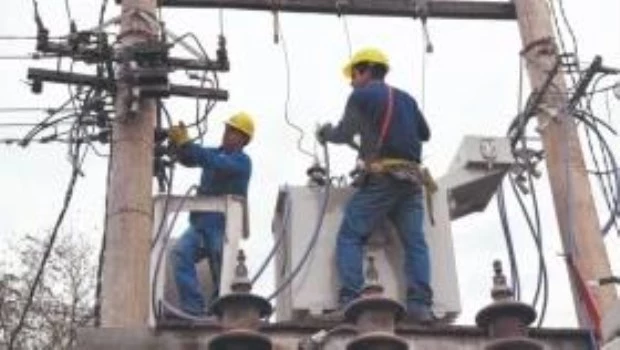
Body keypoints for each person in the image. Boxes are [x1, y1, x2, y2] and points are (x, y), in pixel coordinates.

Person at [316, 48, 434, 323]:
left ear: (366, 70)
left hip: (383, 179)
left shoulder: (361, 96)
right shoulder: (407, 98)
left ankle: (350, 299)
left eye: (354, 74)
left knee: (350, 235)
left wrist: (326, 133)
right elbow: (425, 134)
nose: (351, 81)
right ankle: (420, 306)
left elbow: (344, 132)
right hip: (412, 180)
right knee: (415, 242)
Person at [167, 112, 255, 317]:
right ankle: (193, 308)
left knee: (221, 265)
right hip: (200, 224)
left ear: (244, 139)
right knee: (180, 253)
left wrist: (188, 144)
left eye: (233, 132)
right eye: (227, 129)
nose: (227, 134)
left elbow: (211, 161)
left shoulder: (242, 162)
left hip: (223, 225)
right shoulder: (214, 153)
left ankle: (220, 311)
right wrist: (179, 146)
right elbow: (192, 158)